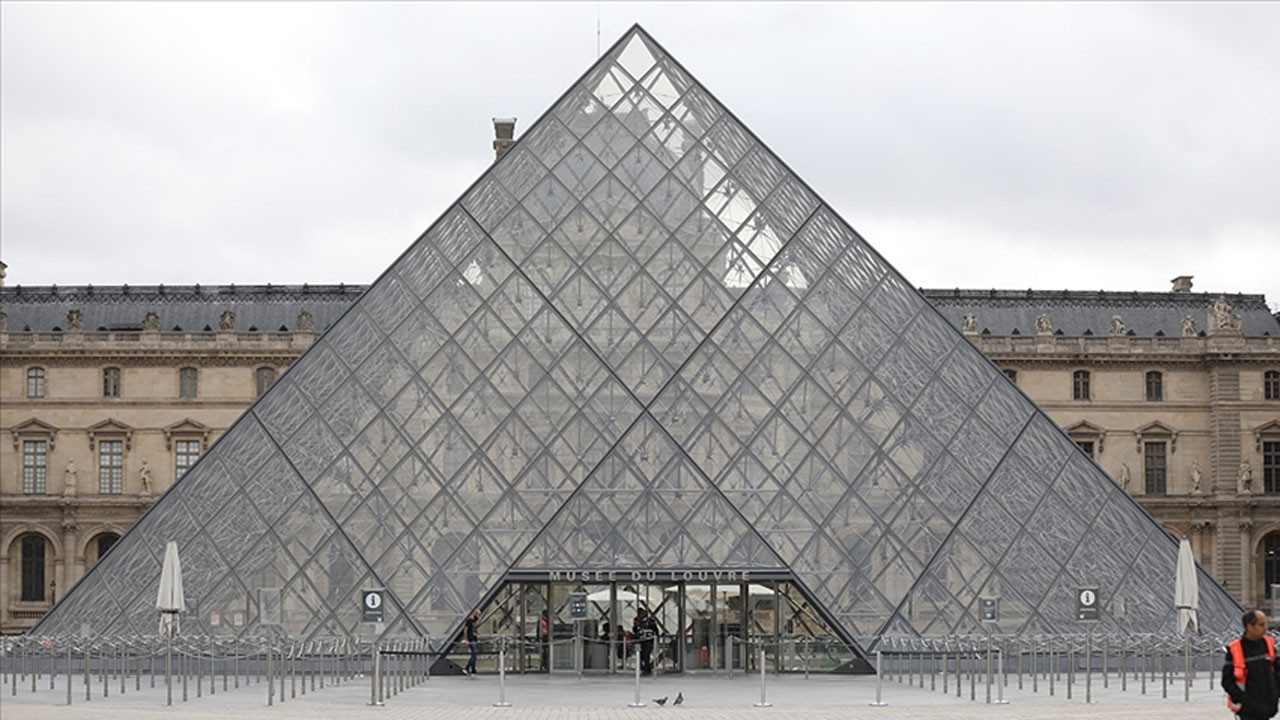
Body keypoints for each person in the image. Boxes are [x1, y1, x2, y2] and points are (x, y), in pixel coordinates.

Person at [1222, 609, 1279, 720]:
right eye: (1261, 624)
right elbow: (1227, 680)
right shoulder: (1236, 649)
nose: (1266, 628)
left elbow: (1277, 669)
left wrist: (1275, 692)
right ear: (1250, 627)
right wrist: (1242, 699)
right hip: (1248, 710)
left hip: (1268, 706)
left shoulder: (1268, 644)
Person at [634, 608, 658, 676]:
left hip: (648, 641)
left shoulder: (650, 621)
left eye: (642, 613)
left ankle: (647, 669)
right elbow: (635, 630)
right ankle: (643, 668)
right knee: (641, 655)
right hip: (641, 640)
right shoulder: (637, 621)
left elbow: (655, 630)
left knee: (646, 655)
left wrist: (655, 639)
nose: (641, 615)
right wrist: (636, 626)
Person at [463, 608, 481, 676]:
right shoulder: (469, 620)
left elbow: (474, 629)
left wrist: (477, 632)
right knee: (475, 653)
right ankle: (467, 668)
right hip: (471, 639)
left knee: (474, 654)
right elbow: (465, 630)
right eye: (478, 615)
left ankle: (473, 670)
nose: (479, 616)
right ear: (475, 614)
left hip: (474, 638)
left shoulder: (475, 621)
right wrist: (466, 639)